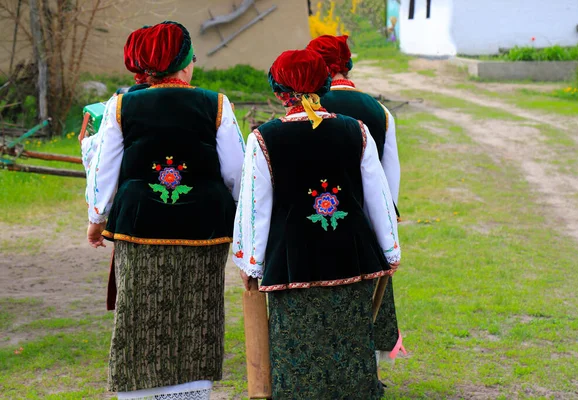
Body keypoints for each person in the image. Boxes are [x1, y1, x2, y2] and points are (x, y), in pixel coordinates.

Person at [83, 21, 245, 399]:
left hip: (139, 225)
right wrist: (239, 217)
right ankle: (192, 392)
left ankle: (140, 392)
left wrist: (96, 219)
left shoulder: (122, 105)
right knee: (196, 311)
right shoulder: (216, 103)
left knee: (140, 310)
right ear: (185, 64)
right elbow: (236, 171)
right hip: (204, 227)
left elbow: (105, 168)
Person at [232, 49, 401, 399]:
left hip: (293, 261)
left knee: (296, 349)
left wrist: (251, 263)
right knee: (350, 342)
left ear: (280, 92)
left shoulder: (264, 138)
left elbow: (255, 208)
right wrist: (390, 250)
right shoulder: (357, 130)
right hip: (351, 255)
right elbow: (378, 197)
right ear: (324, 86)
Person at [307, 34, 402, 370]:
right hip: (362, 225)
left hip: (310, 221)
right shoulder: (378, 111)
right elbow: (389, 182)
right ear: (347, 64)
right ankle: (359, 369)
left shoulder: (302, 107)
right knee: (360, 300)